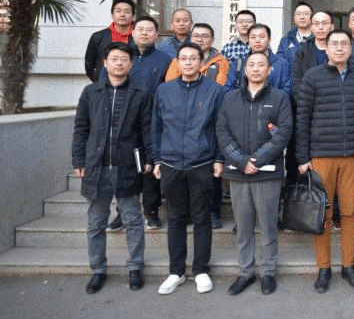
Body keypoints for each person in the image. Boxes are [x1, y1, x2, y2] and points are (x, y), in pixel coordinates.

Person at [72, 42, 152, 294]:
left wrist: (149, 159)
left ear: (130, 64)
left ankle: (135, 266)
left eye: (124, 59)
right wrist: (79, 160)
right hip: (97, 167)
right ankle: (97, 269)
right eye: (114, 59)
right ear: (105, 63)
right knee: (96, 222)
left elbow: (147, 129)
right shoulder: (90, 92)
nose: (119, 63)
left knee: (133, 220)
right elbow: (81, 128)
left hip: (126, 166)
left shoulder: (140, 93)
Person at [295, 29, 354, 294]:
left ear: (351, 49)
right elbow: (302, 118)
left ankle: (349, 265)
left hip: (351, 155)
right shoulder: (312, 76)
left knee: (350, 213)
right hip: (321, 155)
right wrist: (302, 157)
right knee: (323, 214)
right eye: (334, 44)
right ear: (325, 48)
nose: (339, 48)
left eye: (344, 44)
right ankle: (324, 267)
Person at [216, 51, 293, 295]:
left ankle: (268, 272)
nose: (256, 68)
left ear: (269, 70)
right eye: (252, 64)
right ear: (245, 69)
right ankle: (245, 272)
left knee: (269, 227)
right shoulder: (230, 98)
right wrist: (241, 161)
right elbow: (222, 132)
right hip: (238, 173)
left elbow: (283, 133)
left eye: (261, 65)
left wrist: (257, 160)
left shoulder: (280, 98)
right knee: (243, 227)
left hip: (267, 172)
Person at [152, 43, 224, 295]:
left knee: (202, 218)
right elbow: (156, 127)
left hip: (201, 162)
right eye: (184, 58)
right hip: (171, 162)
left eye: (194, 58)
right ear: (177, 62)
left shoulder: (214, 90)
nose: (189, 62)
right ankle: (176, 271)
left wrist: (219, 159)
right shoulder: (164, 90)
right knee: (175, 218)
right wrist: (157, 159)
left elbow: (220, 127)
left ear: (201, 62)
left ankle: (201, 269)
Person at [102, 16, 170, 232]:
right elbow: (105, 84)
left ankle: (151, 211)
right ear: (132, 32)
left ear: (156, 35)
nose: (144, 33)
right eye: (140, 29)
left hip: (153, 118)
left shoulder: (165, 59)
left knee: (151, 164)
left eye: (149, 29)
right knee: (125, 166)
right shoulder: (121, 56)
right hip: (123, 119)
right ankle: (122, 212)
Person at [224, 23, 292, 96]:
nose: (257, 40)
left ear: (269, 40)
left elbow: (287, 91)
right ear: (248, 40)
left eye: (262, 37)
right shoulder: (238, 63)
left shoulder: (282, 63)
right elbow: (228, 90)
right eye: (253, 37)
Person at [84, 0, 135, 82]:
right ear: (112, 15)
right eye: (118, 11)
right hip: (104, 84)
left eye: (127, 12)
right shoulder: (98, 37)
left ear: (133, 16)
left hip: (132, 84)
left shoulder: (138, 38)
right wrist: (99, 81)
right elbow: (89, 65)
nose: (122, 14)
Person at [291, 10, 334, 86]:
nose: (320, 27)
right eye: (316, 23)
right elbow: (296, 81)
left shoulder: (341, 49)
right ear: (311, 27)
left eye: (324, 23)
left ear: (332, 26)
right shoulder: (303, 51)